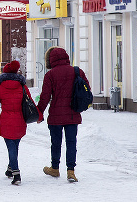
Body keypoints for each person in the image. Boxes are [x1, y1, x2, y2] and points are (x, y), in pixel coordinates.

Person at [36, 46, 90, 183]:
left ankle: (55, 168)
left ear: (50, 59)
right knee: (71, 142)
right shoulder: (77, 71)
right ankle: (71, 171)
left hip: (55, 115)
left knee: (56, 142)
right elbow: (87, 90)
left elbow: (45, 97)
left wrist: (39, 113)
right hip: (73, 113)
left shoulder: (50, 75)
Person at [0, 60, 37, 185]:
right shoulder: (22, 86)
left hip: (6, 119)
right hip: (20, 119)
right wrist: (38, 114)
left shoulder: (0, 87)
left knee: (11, 146)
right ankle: (10, 169)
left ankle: (16, 174)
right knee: (15, 145)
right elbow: (30, 101)